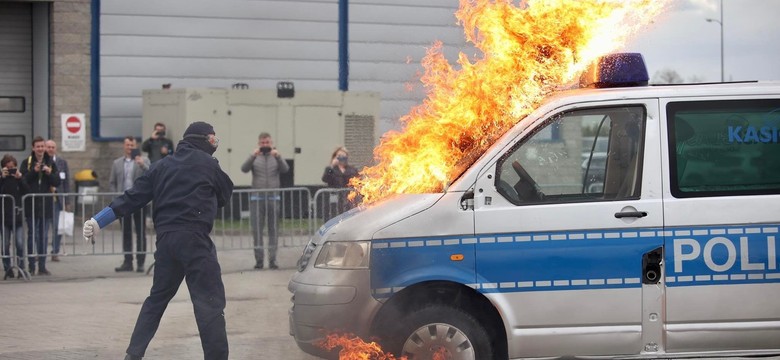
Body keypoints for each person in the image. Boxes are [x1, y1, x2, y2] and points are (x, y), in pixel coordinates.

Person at [83, 121, 233, 360]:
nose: (215, 143)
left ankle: (134, 354)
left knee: (157, 299)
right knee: (209, 303)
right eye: (213, 139)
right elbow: (226, 193)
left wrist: (98, 220)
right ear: (203, 140)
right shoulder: (209, 165)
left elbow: (133, 197)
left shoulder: (161, 166)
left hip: (166, 242)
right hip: (195, 241)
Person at [240, 132, 289, 270]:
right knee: (257, 230)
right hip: (257, 199)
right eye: (262, 143)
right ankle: (259, 261)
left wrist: (278, 157)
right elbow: (243, 169)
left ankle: (272, 260)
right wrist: (252, 156)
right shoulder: (255, 157)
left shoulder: (276, 157)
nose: (265, 145)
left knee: (273, 230)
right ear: (258, 144)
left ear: (271, 143)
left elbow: (285, 169)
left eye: (267, 143)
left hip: (273, 198)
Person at [19, 136, 60, 276]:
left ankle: (42, 266)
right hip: (31, 205)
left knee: (43, 236)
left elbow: (57, 181)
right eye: (38, 147)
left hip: (46, 205)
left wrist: (49, 173)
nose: (41, 149)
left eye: (42, 146)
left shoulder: (51, 163)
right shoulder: (27, 163)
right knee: (32, 235)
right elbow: (23, 181)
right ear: (33, 148)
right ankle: (31, 265)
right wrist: (34, 171)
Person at [109, 136, 150, 273]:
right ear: (124, 146)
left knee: (140, 232)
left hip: (139, 201)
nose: (130, 147)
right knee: (126, 232)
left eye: (132, 145)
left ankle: (140, 262)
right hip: (124, 201)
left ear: (136, 145)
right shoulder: (117, 163)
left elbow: (151, 174)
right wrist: (116, 197)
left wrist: (141, 164)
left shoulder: (144, 160)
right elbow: (112, 182)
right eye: (127, 145)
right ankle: (127, 262)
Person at [1, 155, 29, 279]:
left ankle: (21, 267)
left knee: (19, 242)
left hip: (18, 216)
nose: (11, 170)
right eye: (8, 168)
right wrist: (2, 177)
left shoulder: (19, 178)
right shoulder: (2, 178)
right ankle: (8, 268)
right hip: (4, 217)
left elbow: (27, 191)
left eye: (13, 168)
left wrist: (20, 178)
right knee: (5, 244)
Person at [46, 139, 70, 262]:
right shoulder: (42, 162)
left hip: (58, 199)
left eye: (52, 147)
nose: (50, 149)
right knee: (44, 228)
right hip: (45, 199)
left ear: (55, 149)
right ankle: (41, 252)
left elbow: (66, 182)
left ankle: (55, 251)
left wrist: (67, 201)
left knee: (57, 227)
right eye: (48, 147)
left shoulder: (62, 163)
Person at [321, 146, 359, 221]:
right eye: (339, 156)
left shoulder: (352, 169)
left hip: (348, 198)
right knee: (334, 216)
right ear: (335, 157)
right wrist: (332, 166)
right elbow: (325, 179)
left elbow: (357, 181)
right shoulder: (330, 169)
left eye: (343, 155)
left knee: (348, 217)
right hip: (335, 198)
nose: (341, 158)